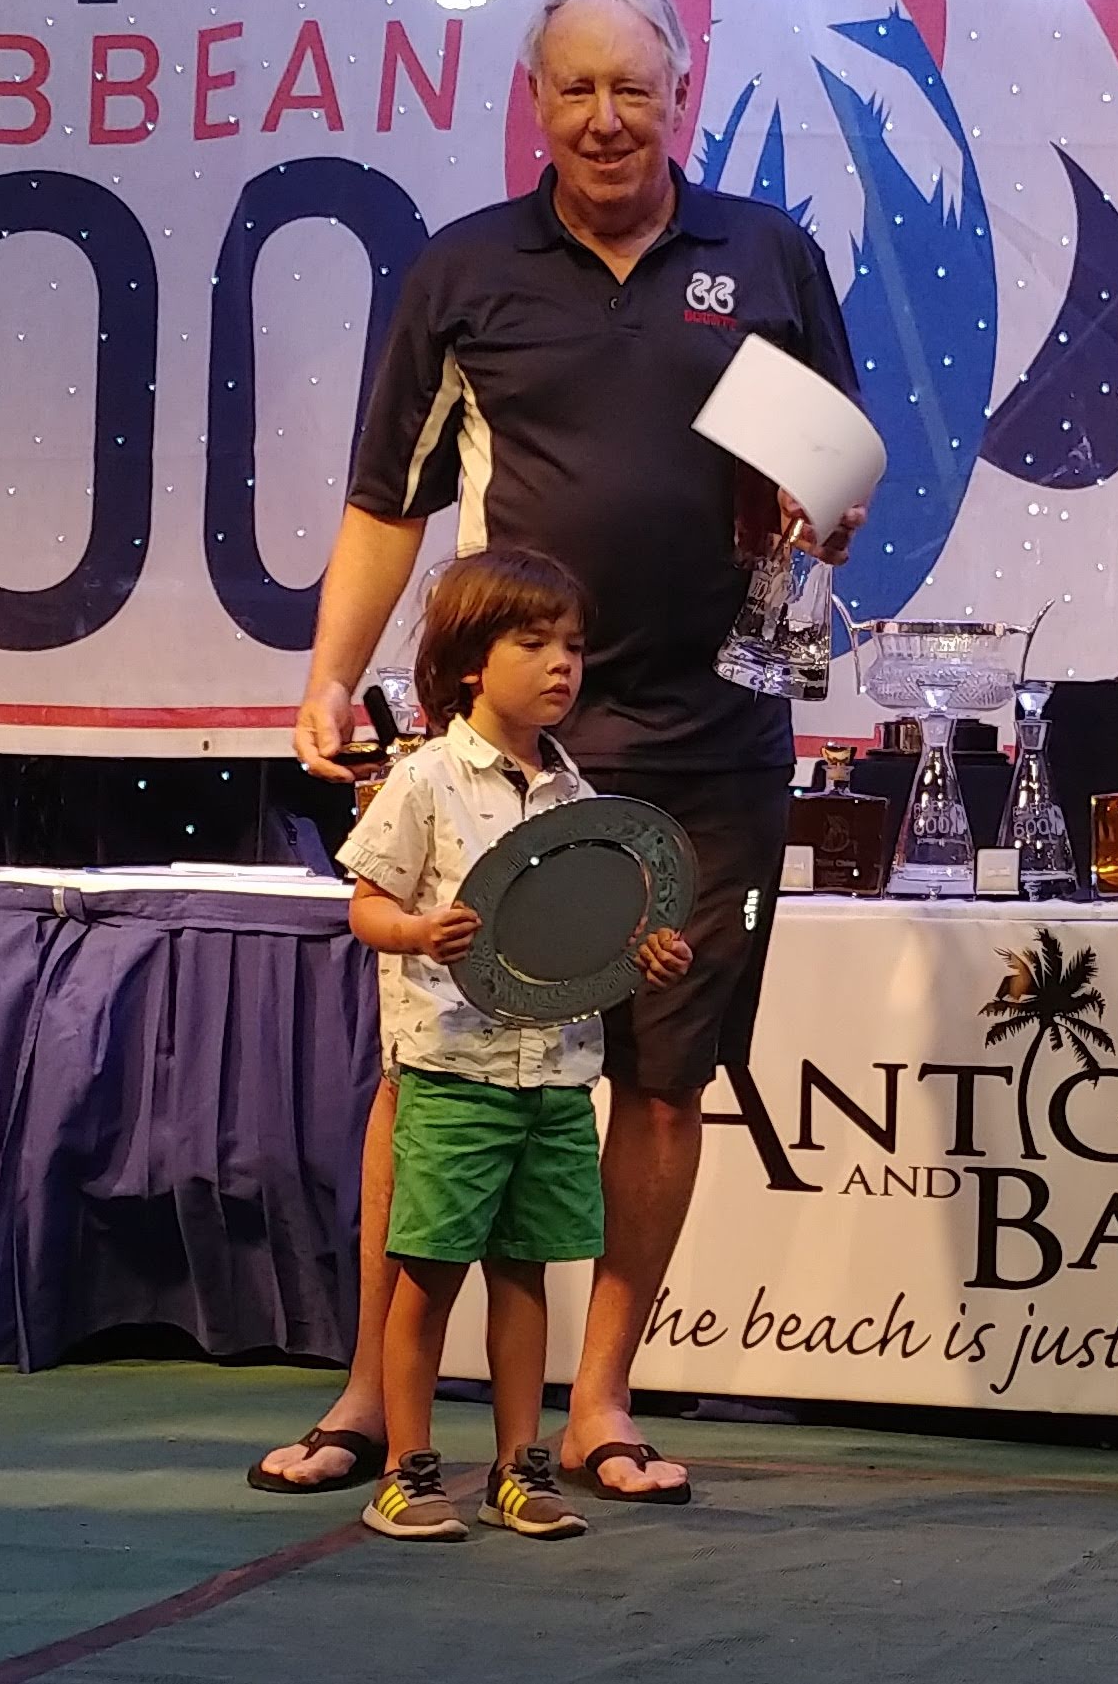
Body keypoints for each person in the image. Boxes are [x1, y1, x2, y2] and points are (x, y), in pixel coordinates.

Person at [251, 0, 864, 1506]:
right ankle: (373, 1395)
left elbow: (838, 479)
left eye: (632, 89)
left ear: (682, 98)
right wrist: (330, 674)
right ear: (533, 101)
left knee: (663, 1076)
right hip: (503, 756)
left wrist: (827, 514)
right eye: (575, 88)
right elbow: (387, 498)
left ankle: (601, 1401)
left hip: (714, 736)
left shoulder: (771, 254)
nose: (604, 117)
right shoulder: (462, 272)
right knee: (439, 1074)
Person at [341, 548, 692, 1542]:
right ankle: (406, 1470)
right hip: (455, 1074)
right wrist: (417, 931)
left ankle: (516, 1465)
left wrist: (644, 952)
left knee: (526, 1271)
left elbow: (585, 936)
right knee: (427, 1271)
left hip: (555, 1077)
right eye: (533, 643)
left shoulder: (576, 797)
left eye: (572, 646)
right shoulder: (424, 778)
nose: (561, 664)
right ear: (469, 662)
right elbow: (366, 905)